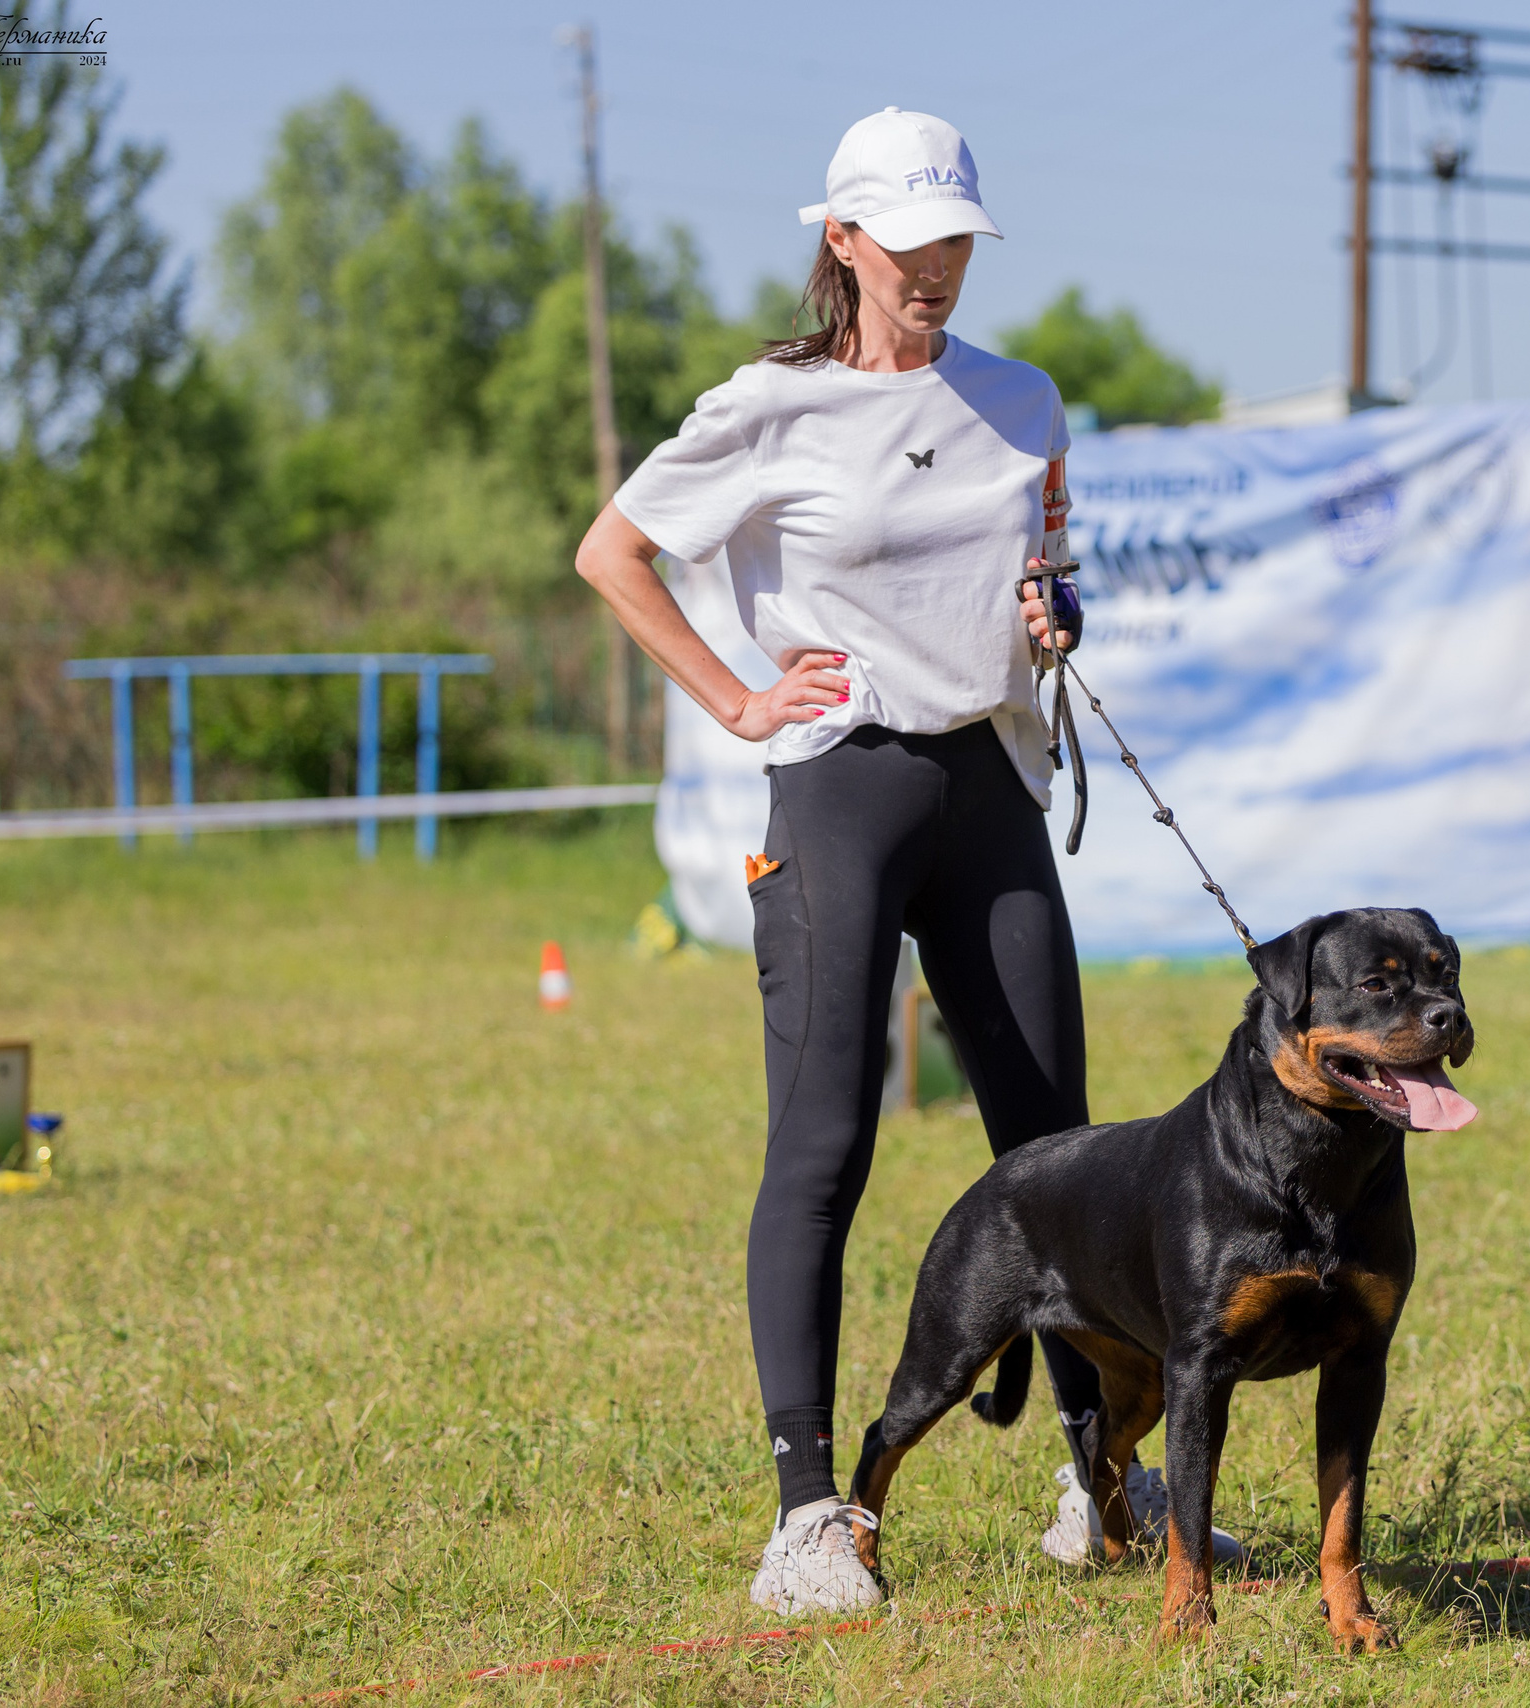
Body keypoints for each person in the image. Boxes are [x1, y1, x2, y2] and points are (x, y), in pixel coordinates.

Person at [574, 107, 1231, 1615]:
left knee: (1062, 1158)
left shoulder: (1024, 400)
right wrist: (739, 698)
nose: (935, 268)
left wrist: (1060, 612)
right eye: (908, 241)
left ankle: (1102, 1488)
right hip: (839, 793)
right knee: (824, 1151)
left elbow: (1047, 573)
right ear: (844, 241)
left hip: (992, 787)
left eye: (956, 242)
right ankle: (810, 1516)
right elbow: (616, 554)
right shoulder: (765, 405)